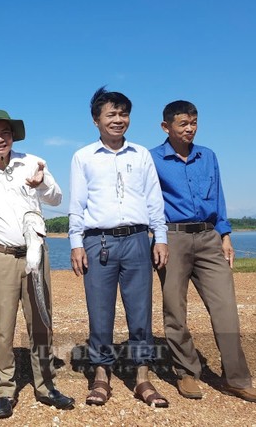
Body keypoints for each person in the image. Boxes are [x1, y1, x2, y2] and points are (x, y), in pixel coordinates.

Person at [150, 100, 256, 403]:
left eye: (193, 122)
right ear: (166, 127)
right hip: (173, 238)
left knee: (225, 309)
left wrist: (225, 235)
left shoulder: (209, 156)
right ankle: (186, 372)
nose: (189, 129)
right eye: (182, 124)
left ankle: (237, 379)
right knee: (175, 311)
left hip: (209, 237)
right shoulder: (151, 159)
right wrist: (155, 236)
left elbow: (219, 196)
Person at [0, 108, 74, 418]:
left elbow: (55, 199)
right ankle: (5, 388)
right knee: (2, 326)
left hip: (37, 251)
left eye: (5, 133)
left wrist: (39, 184)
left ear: (13, 136)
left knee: (41, 318)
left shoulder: (33, 162)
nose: (0, 139)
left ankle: (45, 384)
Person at [68, 87, 170, 408]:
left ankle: (143, 378)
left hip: (138, 239)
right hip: (98, 242)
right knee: (100, 313)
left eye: (123, 114)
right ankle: (101, 376)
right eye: (110, 114)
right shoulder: (83, 156)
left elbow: (155, 199)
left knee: (140, 312)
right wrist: (75, 243)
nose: (118, 120)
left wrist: (161, 237)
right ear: (96, 119)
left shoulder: (141, 155)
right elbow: (77, 204)